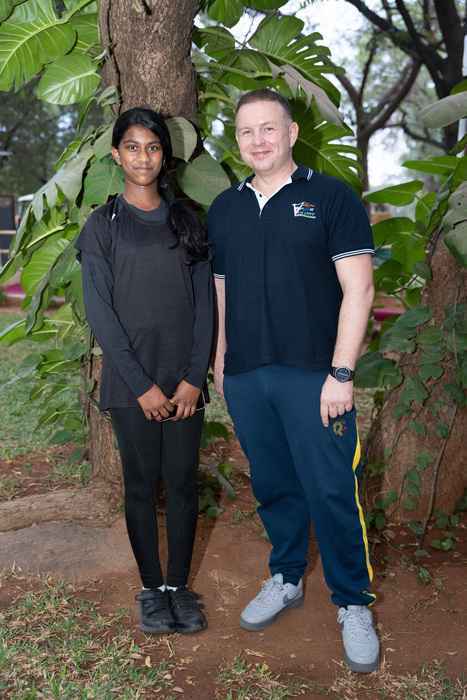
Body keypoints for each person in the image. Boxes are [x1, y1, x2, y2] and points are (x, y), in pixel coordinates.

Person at [208, 89, 379, 673]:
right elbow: (222, 289)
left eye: (269, 128)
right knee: (274, 485)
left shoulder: (330, 197)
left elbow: (360, 289)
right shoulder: (225, 208)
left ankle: (353, 601)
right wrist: (221, 361)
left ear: (291, 133)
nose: (258, 140)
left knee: (331, 490)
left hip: (315, 378)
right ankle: (285, 577)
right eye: (246, 131)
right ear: (237, 140)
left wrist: (341, 373)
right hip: (248, 376)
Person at [75, 107, 213, 635]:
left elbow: (205, 308)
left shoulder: (187, 220)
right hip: (131, 385)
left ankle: (179, 587)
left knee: (181, 483)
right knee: (140, 485)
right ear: (117, 155)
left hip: (184, 383)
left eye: (152, 147)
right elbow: (101, 313)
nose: (143, 157)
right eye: (132, 147)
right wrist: (142, 387)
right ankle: (152, 589)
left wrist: (193, 378)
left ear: (164, 156)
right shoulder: (103, 225)